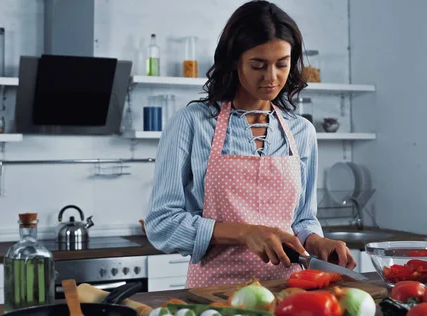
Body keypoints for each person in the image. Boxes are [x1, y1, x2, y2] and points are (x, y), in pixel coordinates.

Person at [145, 0, 357, 288]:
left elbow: (303, 219)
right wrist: (244, 232)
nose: (271, 78)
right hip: (213, 293)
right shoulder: (192, 123)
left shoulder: (301, 132)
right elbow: (162, 224)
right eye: (258, 65)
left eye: (282, 64)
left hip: (288, 293)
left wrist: (317, 241)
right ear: (234, 61)